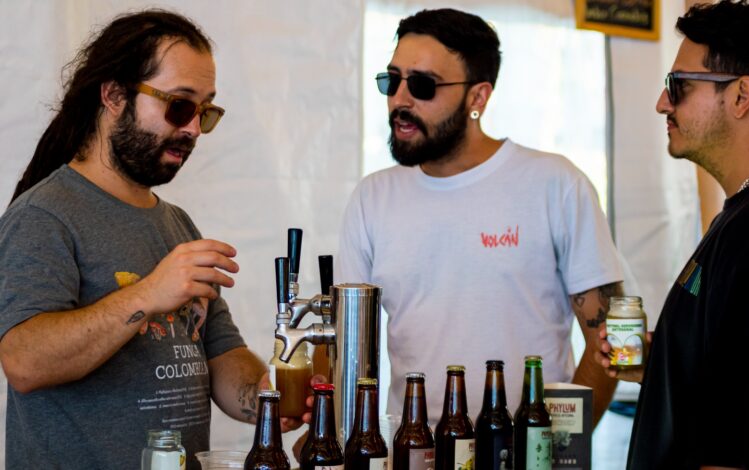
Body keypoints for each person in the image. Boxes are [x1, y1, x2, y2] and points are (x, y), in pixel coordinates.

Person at [0, 10, 311, 469]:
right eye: (180, 105)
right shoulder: (45, 214)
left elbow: (221, 353)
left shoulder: (177, 225)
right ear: (114, 95)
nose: (191, 128)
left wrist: (266, 397)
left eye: (205, 112)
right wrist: (150, 293)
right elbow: (24, 363)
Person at [336, 8, 625, 427]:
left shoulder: (554, 184)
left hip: (524, 452)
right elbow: (349, 351)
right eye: (392, 80)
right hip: (413, 452)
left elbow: (611, 336)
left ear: (478, 97)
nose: (400, 99)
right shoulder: (372, 198)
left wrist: (558, 448)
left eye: (421, 85)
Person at [595, 1, 749, 468]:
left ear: (741, 96)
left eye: (678, 87)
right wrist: (659, 362)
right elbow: (727, 374)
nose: (661, 103)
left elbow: (740, 436)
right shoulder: (738, 217)